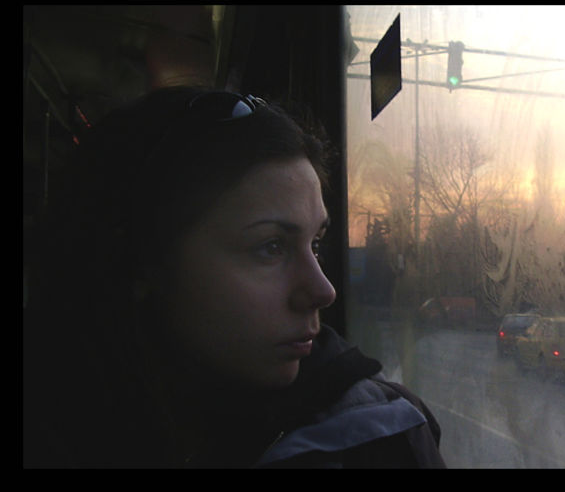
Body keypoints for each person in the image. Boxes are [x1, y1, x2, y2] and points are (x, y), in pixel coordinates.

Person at [23, 86, 446, 468]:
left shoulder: (377, 438)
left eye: (316, 244)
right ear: (138, 261)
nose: (323, 290)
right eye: (271, 247)